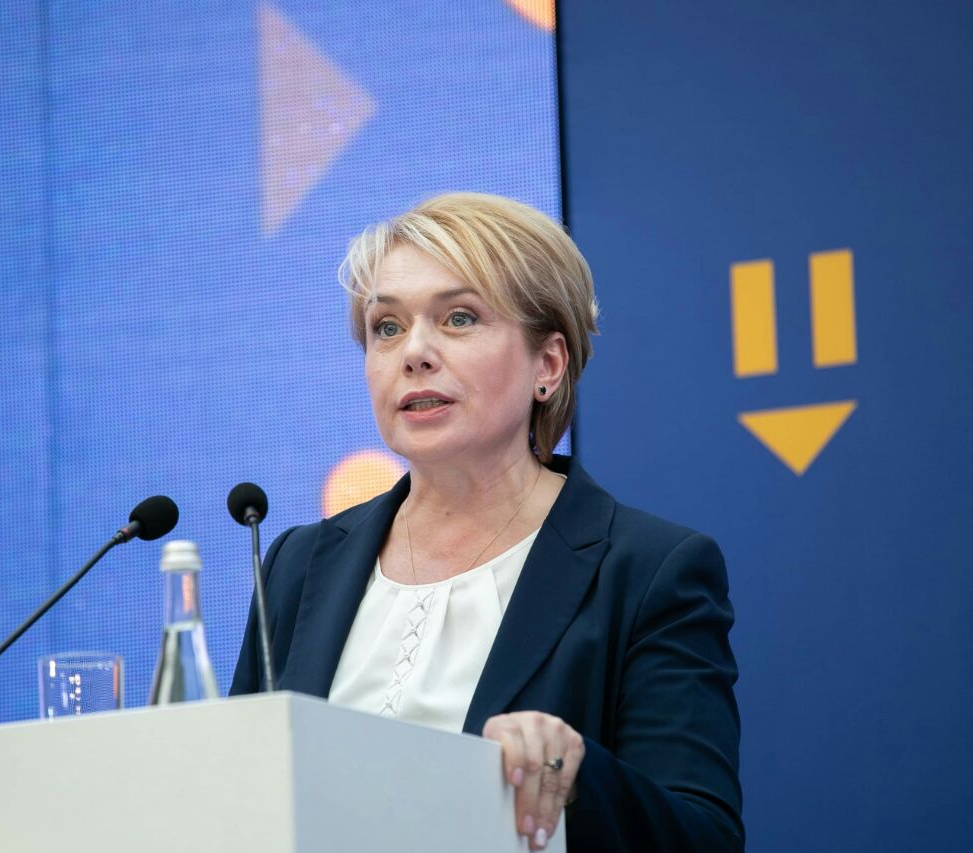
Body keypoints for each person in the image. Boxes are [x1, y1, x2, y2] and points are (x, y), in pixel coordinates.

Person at [231, 192, 743, 851]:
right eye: (387, 327)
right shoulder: (299, 564)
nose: (414, 352)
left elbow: (705, 838)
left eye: (459, 318)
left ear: (548, 365)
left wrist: (578, 776)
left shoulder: (647, 571)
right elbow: (236, 798)